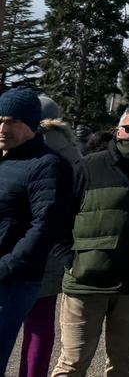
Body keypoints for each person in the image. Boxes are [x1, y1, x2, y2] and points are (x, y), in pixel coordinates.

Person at [52, 102, 129, 377]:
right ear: (118, 130)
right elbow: (58, 218)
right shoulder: (88, 167)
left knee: (122, 362)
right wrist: (70, 261)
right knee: (72, 363)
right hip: (86, 283)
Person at [0, 88, 74, 371]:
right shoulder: (5, 159)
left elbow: (45, 227)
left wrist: (6, 267)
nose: (3, 128)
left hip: (14, 281)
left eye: (12, 121)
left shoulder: (48, 165)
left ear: (32, 124)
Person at [21, 95, 79, 377]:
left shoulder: (20, 144)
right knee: (40, 321)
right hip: (55, 246)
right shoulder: (72, 151)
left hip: (14, 243)